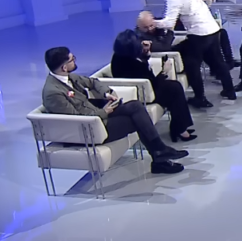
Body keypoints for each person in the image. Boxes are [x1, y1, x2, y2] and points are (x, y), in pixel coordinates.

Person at [41, 47, 188, 174]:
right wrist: (104, 112)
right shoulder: (53, 92)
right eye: (72, 59)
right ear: (64, 67)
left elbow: (93, 82)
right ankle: (159, 157)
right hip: (90, 128)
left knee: (136, 106)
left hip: (97, 115)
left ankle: (160, 153)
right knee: (138, 120)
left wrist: (106, 93)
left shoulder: (69, 77)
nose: (75, 61)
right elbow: (75, 119)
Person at [152, 0, 236, 107]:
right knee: (218, 61)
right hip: (213, 29)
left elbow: (169, 23)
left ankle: (200, 98)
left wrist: (152, 22)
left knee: (192, 65)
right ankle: (230, 90)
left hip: (199, 34)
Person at [111, 29, 197, 143]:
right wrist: (164, 71)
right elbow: (152, 82)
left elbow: (145, 75)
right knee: (175, 89)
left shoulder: (118, 57)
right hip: (142, 93)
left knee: (174, 88)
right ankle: (179, 129)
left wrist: (145, 56)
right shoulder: (132, 63)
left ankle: (179, 127)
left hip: (142, 88)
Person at [137, 11, 240, 70]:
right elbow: (165, 46)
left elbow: (174, 27)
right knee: (197, 43)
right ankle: (219, 68)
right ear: (139, 26)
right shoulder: (141, 37)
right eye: (146, 27)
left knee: (220, 33)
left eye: (151, 25)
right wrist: (170, 32)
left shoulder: (159, 24)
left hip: (177, 43)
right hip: (170, 53)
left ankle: (228, 62)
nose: (150, 29)